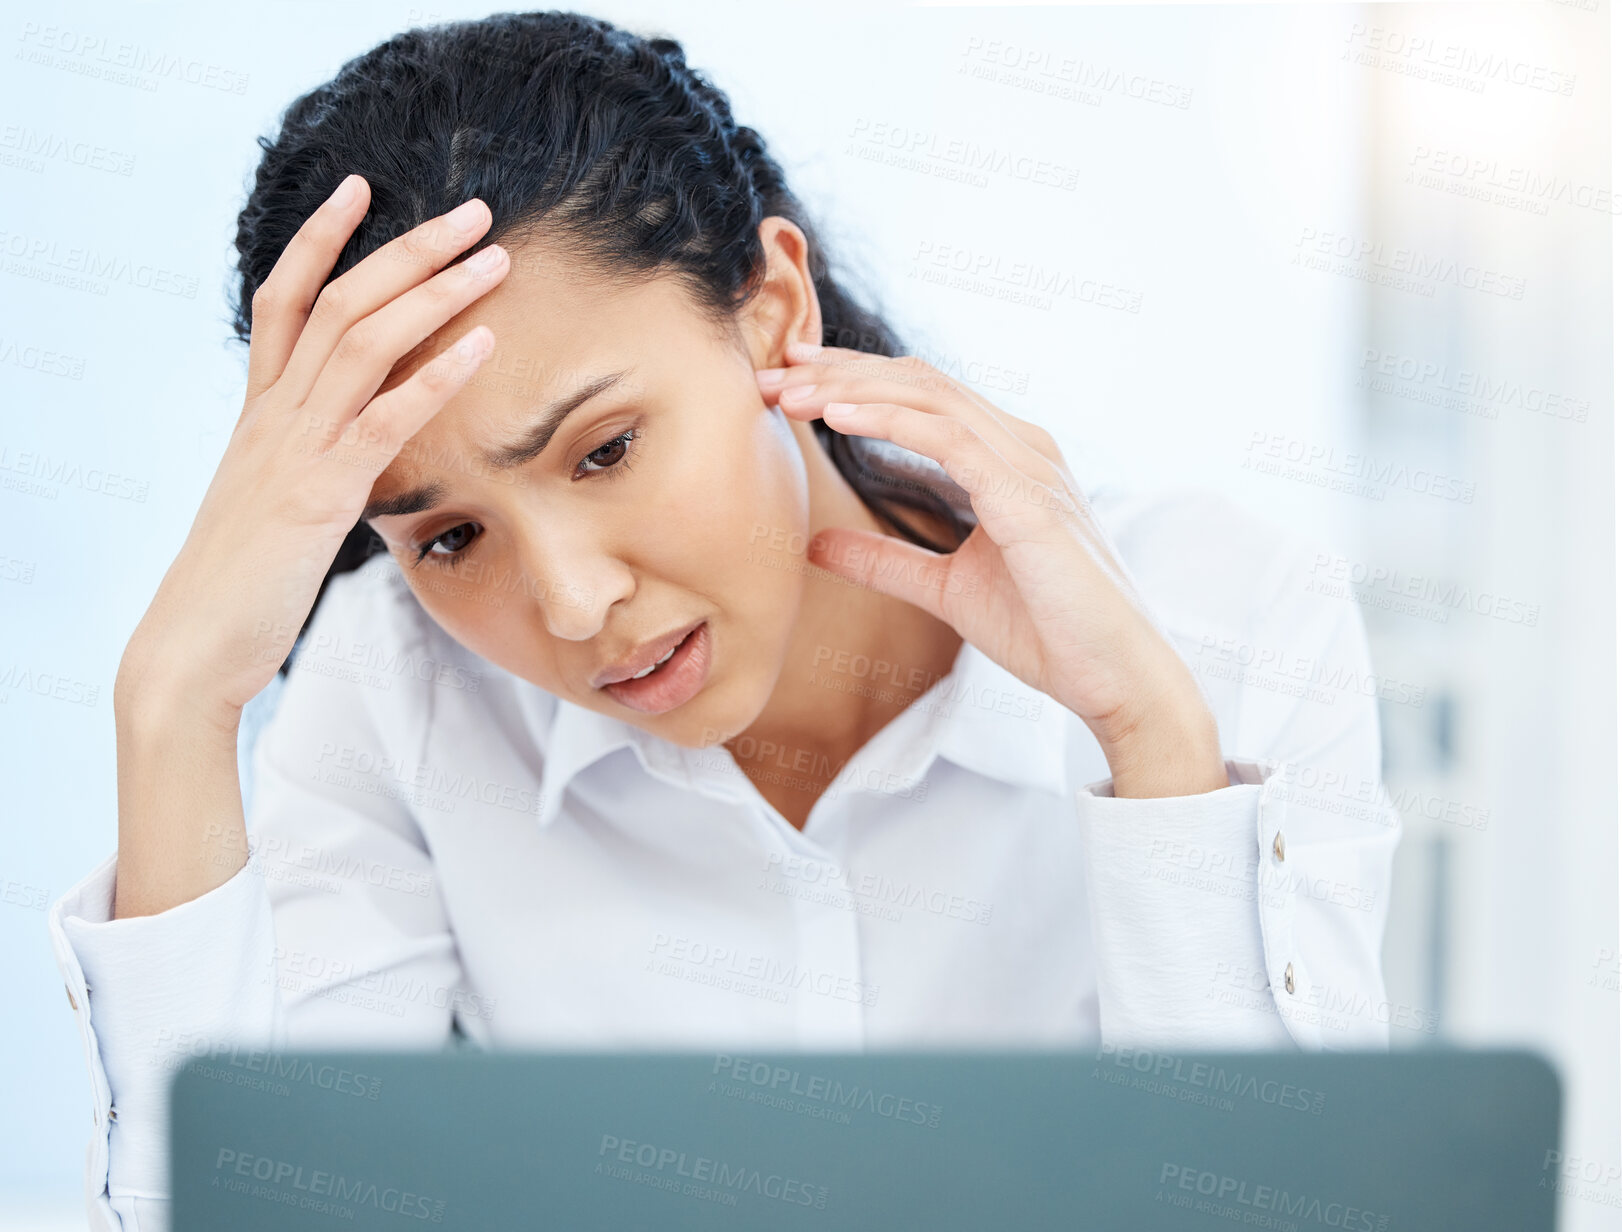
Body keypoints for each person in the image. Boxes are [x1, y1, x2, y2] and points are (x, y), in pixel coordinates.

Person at [46, 11, 1399, 1230]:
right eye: (449, 536)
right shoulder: (397, 684)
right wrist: (175, 705)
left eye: (604, 450)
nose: (572, 603)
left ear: (771, 312)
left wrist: (1152, 742)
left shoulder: (1229, 612)